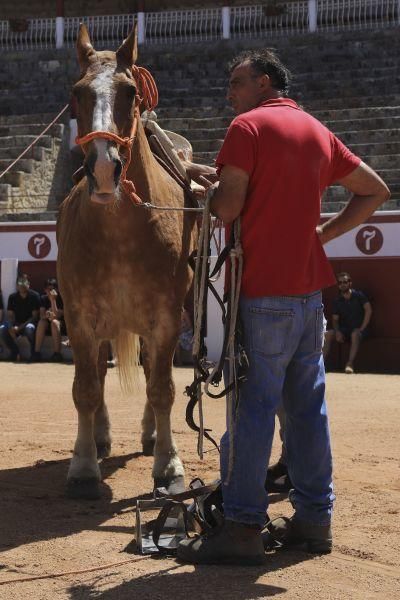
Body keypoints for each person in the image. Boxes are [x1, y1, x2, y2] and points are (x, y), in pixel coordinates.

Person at [177, 49, 390, 566]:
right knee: (306, 408)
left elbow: (228, 208)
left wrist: (204, 190)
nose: (230, 93)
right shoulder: (316, 130)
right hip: (307, 296)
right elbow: (375, 190)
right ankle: (315, 521)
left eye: (237, 82)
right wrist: (322, 236)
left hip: (262, 292)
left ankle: (245, 527)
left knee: (253, 409)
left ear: (265, 81)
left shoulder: (246, 128)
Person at [323, 272, 372, 374]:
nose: (342, 284)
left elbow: (368, 310)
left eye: (345, 282)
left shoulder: (359, 295)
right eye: (340, 283)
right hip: (344, 330)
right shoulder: (338, 301)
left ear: (350, 283)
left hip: (360, 330)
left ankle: (349, 364)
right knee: (328, 334)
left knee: (355, 334)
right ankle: (320, 365)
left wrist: (362, 328)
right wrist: (337, 332)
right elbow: (335, 320)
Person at [0, 275, 40, 361]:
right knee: (2, 329)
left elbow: (34, 317)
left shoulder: (34, 296)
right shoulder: (12, 297)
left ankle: (34, 354)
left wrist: (20, 327)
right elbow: (10, 315)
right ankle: (15, 352)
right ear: (17, 285)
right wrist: (11, 326)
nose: (22, 285)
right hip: (15, 323)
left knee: (29, 329)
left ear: (28, 284)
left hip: (29, 323)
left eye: (24, 282)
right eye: (20, 283)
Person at [32, 278, 66, 362]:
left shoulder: (62, 298)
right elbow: (41, 315)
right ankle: (37, 353)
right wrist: (47, 315)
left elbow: (58, 315)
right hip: (47, 322)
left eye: (52, 289)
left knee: (54, 322)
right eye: (48, 289)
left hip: (61, 324)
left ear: (57, 289)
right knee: (41, 322)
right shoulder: (43, 298)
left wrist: (53, 300)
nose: (50, 291)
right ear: (45, 290)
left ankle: (57, 354)